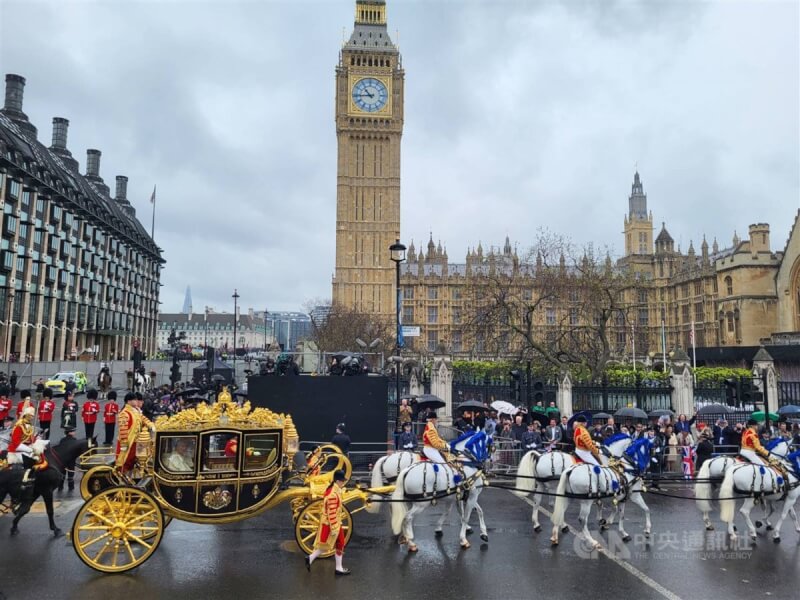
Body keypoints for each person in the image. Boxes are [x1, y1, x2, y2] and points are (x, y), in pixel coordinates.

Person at [305, 469, 350, 576]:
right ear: (338, 481)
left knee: (331, 544)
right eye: (342, 481)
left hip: (332, 523)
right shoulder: (333, 494)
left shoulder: (333, 490)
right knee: (334, 544)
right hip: (332, 524)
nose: (343, 483)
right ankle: (338, 568)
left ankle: (311, 558)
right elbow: (332, 512)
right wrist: (334, 527)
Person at [115, 392, 155, 474]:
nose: (136, 401)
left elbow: (143, 419)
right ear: (128, 401)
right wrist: (123, 444)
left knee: (132, 460)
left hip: (136, 440)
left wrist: (151, 425)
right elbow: (123, 430)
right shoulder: (124, 413)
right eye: (134, 399)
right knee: (124, 460)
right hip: (128, 441)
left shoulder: (136, 411)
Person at [7, 405, 44, 482]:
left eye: (32, 416)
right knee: (31, 458)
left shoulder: (29, 425)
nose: (32, 417)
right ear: (26, 415)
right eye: (31, 416)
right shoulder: (19, 426)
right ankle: (25, 478)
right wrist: (30, 449)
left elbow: (30, 438)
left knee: (40, 456)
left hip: (25, 447)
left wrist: (37, 439)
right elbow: (15, 442)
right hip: (16, 449)